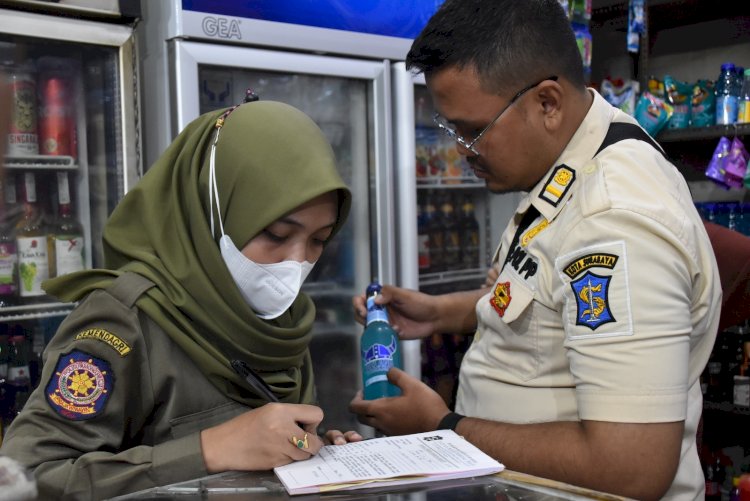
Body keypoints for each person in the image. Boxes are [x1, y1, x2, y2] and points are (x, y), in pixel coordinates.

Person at [349, 1, 720, 500]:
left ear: (547, 102)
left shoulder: (614, 221)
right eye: (452, 129)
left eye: (473, 129)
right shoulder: (572, 157)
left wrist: (443, 426)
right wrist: (438, 313)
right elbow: (544, 295)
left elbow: (631, 468)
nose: (461, 149)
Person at [0, 97, 363, 499]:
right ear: (213, 210)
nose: (295, 264)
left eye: (318, 241)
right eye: (276, 235)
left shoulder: (282, 320)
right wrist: (209, 449)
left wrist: (315, 453)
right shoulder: (124, 321)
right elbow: (27, 479)